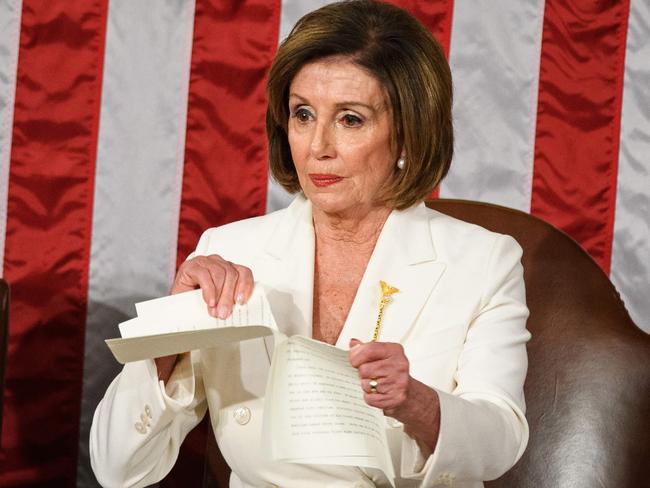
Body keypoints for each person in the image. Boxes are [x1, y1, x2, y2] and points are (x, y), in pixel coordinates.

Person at [90, 1, 531, 487]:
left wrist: (417, 403)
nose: (317, 145)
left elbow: (500, 441)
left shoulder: (485, 260)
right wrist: (170, 333)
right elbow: (117, 470)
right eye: (303, 114)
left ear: (408, 133)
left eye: (351, 119)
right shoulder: (230, 250)